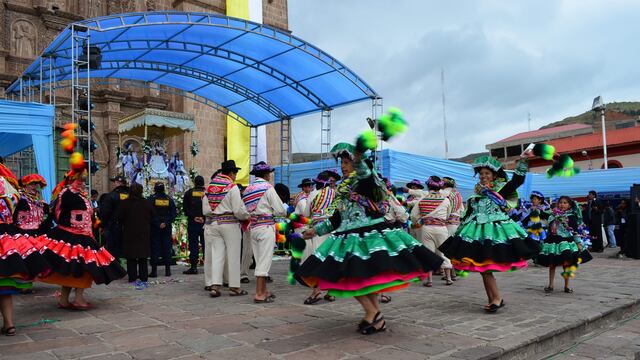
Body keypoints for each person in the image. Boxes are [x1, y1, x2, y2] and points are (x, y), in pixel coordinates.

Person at [296, 141, 443, 335]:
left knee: (355, 279)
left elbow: (366, 173)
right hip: (348, 237)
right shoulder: (342, 188)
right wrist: (314, 231)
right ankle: (374, 316)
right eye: (342, 163)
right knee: (358, 278)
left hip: (369, 236)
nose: (343, 166)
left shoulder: (365, 181)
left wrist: (360, 159)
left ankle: (373, 314)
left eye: (347, 162)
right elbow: (337, 218)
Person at [439, 153, 540, 313]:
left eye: (487, 173)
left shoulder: (501, 190)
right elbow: (468, 213)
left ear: (494, 175)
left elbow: (517, 181)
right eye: (481, 174)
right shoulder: (476, 194)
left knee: (485, 267)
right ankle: (493, 299)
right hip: (475, 232)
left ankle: (496, 299)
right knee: (482, 268)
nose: (484, 176)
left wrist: (523, 162)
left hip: (494, 233)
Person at [38, 169, 126, 309]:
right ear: (71, 180)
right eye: (79, 180)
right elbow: (57, 212)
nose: (82, 183)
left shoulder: (80, 195)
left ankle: (66, 299)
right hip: (72, 235)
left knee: (75, 268)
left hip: (83, 235)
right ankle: (76, 299)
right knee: (81, 267)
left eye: (83, 180)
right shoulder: (66, 194)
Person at [0, 176, 50, 336]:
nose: (35, 187)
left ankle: (9, 324)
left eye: (36, 185)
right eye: (32, 185)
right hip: (11, 236)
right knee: (5, 281)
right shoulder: (14, 193)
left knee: (6, 281)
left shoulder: (32, 200)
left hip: (14, 236)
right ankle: (9, 324)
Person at [202, 160, 250, 297]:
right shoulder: (232, 187)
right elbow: (238, 211)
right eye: (235, 173)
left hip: (214, 224)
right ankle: (234, 287)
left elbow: (205, 210)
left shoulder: (210, 187)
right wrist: (247, 215)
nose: (235, 176)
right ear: (231, 173)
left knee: (217, 255)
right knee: (233, 255)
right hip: (230, 224)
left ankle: (215, 286)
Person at [243, 161, 286, 303]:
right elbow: (280, 210)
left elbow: (245, 209)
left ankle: (262, 291)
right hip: (265, 226)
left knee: (259, 259)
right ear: (266, 174)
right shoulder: (267, 187)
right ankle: (259, 294)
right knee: (263, 261)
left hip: (253, 227)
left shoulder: (248, 189)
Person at [536, 196, 592, 293]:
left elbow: (574, 231)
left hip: (566, 242)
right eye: (561, 202)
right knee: (552, 264)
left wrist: (578, 242)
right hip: (553, 241)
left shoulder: (571, 216)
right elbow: (544, 223)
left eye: (565, 203)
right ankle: (550, 285)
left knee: (567, 263)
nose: (562, 204)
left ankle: (566, 286)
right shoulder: (552, 215)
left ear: (569, 205)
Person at [300, 171, 336, 305]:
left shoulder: (313, 195)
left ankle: (316, 291)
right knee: (330, 259)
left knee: (318, 260)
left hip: (317, 230)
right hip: (332, 229)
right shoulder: (335, 193)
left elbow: (305, 213)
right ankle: (331, 292)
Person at [411, 176, 454, 286]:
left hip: (427, 228)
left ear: (428, 186)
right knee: (444, 252)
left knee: (429, 253)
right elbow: (448, 214)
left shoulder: (422, 200)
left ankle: (429, 281)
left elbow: (414, 216)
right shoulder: (446, 200)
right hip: (441, 228)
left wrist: (421, 219)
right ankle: (448, 278)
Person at [118, 183, 155, 283]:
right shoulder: (146, 203)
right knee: (143, 256)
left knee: (131, 256)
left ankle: (132, 277)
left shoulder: (125, 203)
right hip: (144, 231)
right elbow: (153, 215)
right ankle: (143, 277)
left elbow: (119, 217)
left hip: (129, 232)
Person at [148, 182, 177, 277]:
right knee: (167, 247)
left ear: (155, 189)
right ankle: (167, 271)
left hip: (155, 227)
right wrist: (166, 223)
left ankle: (154, 271)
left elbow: (149, 213)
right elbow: (173, 213)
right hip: (166, 227)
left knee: (155, 248)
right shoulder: (169, 199)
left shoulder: (151, 199)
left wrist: (157, 223)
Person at [100, 175, 129, 262]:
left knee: (113, 249)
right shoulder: (131, 195)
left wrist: (103, 225)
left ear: (118, 183)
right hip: (129, 227)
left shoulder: (111, 196)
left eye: (115, 182)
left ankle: (116, 270)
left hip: (114, 227)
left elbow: (105, 212)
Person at [183, 175, 206, 275]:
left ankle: (193, 267)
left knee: (193, 245)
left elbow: (185, 209)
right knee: (207, 245)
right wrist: (203, 217)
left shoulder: (188, 193)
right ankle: (209, 267)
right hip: (205, 222)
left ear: (195, 183)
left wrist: (194, 217)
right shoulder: (207, 193)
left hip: (193, 222)